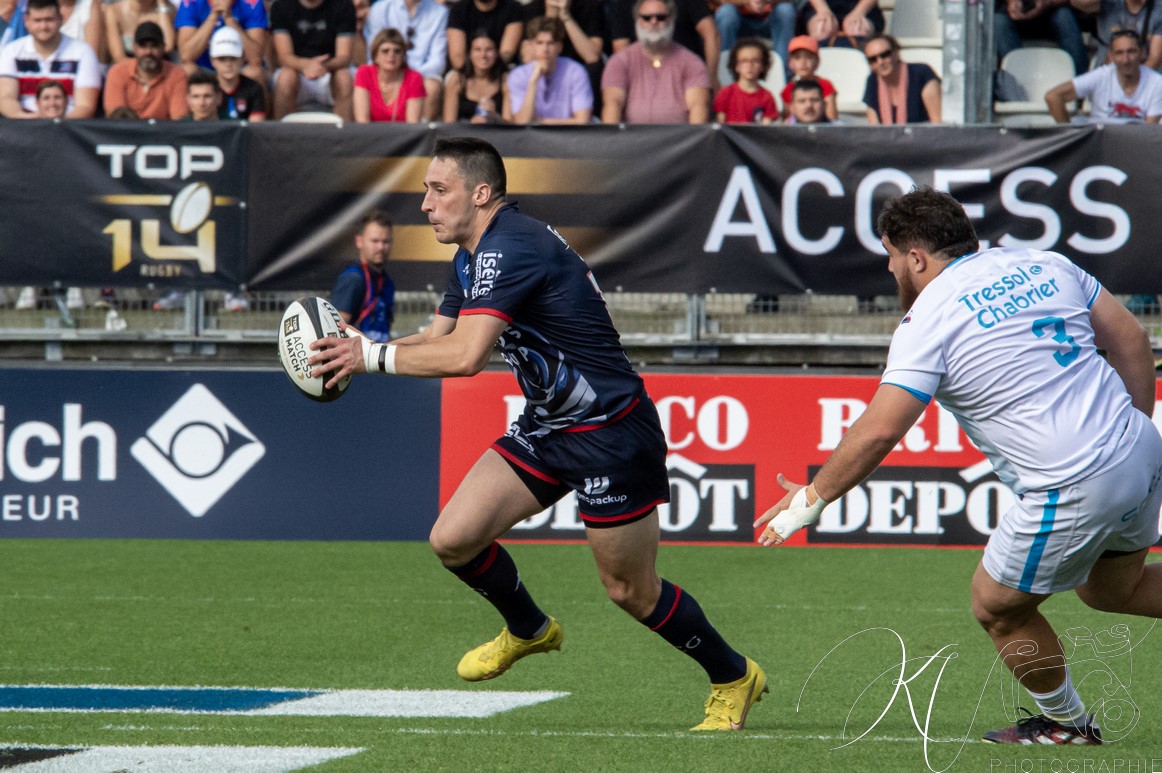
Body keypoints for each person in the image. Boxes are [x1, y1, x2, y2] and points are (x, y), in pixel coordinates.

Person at [309, 136, 768, 732]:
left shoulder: (511, 245)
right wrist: (358, 348)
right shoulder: (475, 253)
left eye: (438, 189)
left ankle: (734, 676)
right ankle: (529, 628)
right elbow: (437, 336)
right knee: (453, 539)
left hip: (610, 431)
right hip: (550, 427)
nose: (424, 204)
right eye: (425, 189)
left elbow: (467, 356)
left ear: (480, 194)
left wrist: (368, 359)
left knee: (630, 590)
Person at [756, 186, 1162, 746]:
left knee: (997, 606)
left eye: (892, 257)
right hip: (1139, 447)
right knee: (1112, 590)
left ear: (916, 258)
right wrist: (1129, 435)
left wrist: (811, 499)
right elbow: (1133, 340)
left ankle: (1068, 725)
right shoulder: (1042, 262)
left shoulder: (928, 319)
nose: (892, 269)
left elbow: (880, 428)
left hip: (1074, 480)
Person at [601, 0, 711, 124]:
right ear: (637, 21)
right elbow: (612, 105)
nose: (654, 22)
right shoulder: (619, 62)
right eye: (647, 18)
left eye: (661, 17)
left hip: (680, 142)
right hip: (631, 141)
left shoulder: (693, 63)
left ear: (671, 20)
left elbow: (698, 110)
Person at [0, 0, 101, 118]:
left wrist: (55, 125)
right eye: (37, 20)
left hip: (70, 128)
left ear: (60, 19)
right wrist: (31, 120)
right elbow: (5, 99)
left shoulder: (83, 52)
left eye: (49, 20)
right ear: (26, 21)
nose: (43, 26)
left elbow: (86, 107)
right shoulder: (12, 51)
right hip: (24, 127)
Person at [1045, 29, 1162, 123]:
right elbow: (1053, 97)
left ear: (1141, 53)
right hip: (1100, 142)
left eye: (1131, 52)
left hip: (1136, 144)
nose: (1126, 60)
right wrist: (1068, 134)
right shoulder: (1101, 76)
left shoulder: (1157, 83)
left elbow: (1149, 130)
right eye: (1119, 53)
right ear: (1111, 56)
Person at [361, 0, 446, 120]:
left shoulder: (440, 12)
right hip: (383, 71)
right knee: (361, 77)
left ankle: (422, 135)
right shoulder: (380, 8)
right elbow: (374, 52)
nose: (391, 54)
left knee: (431, 87)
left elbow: (437, 61)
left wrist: (409, 77)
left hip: (421, 75)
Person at [270, 0, 355, 120]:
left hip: (331, 70)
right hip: (297, 71)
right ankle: (281, 135)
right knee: (285, 78)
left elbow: (344, 56)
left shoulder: (343, 5)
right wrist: (306, 65)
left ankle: (345, 135)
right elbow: (284, 57)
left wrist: (323, 67)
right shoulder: (281, 5)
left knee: (344, 78)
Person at [610, 0, 719, 91]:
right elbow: (621, 50)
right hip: (643, 80)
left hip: (689, 77)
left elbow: (711, 34)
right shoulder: (621, 4)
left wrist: (710, 77)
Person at [504, 15, 592, 124]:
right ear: (531, 46)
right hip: (532, 139)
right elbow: (522, 122)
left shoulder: (576, 71)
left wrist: (540, 121)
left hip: (570, 137)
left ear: (559, 47)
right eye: (539, 43)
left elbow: (582, 121)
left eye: (550, 43)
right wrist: (533, 82)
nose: (545, 49)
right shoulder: (518, 75)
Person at [330, 210, 395, 343]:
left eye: (386, 241)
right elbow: (335, 330)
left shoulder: (387, 283)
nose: (381, 247)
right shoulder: (353, 278)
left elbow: (384, 331)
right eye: (375, 241)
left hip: (378, 358)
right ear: (359, 241)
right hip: (355, 360)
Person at [103, 20, 189, 119]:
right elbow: (116, 117)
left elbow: (179, 120)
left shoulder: (177, 74)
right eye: (143, 46)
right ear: (134, 48)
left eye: (154, 46)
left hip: (163, 132)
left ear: (163, 48)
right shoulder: (118, 72)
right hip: (126, 132)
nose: (148, 52)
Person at [994, 0, 1087, 80]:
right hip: (1010, 16)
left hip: (1051, 12)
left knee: (1064, 17)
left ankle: (1079, 84)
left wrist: (1045, 3)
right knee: (999, 23)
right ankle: (1014, 86)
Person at [174, 0, 267, 81]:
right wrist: (214, 15)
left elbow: (256, 59)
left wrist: (229, 19)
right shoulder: (190, 2)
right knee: (186, 70)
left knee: (255, 73)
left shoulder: (252, 2)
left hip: (238, 69)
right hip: (205, 69)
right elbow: (186, 56)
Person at [862, 33, 940, 124]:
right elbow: (874, 128)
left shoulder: (922, 74)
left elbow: (938, 123)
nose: (880, 62)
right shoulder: (872, 81)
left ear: (896, 53)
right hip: (887, 138)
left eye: (885, 54)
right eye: (872, 59)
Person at [353, 27, 424, 122]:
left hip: (405, 135)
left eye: (397, 51)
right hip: (368, 135)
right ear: (375, 56)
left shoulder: (414, 78)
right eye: (385, 51)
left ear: (403, 56)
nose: (391, 55)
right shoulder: (364, 73)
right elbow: (362, 122)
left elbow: (413, 124)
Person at [714, 0, 794, 76]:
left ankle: (783, 75)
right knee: (725, 13)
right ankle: (725, 74)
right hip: (739, 19)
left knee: (785, 10)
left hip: (770, 20)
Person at [1076, 0, 1162, 70]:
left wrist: (1134, 83)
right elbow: (1079, 2)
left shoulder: (1159, 7)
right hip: (1107, 66)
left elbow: (1155, 59)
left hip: (1144, 71)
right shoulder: (1109, 3)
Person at [443, 27, 505, 123]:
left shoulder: (505, 80)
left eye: (488, 50)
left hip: (497, 134)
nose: (483, 55)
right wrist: (470, 125)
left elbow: (513, 126)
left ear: (497, 53)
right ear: (470, 53)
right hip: (462, 134)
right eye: (477, 49)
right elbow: (448, 124)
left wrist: (495, 117)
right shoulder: (457, 80)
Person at [713, 36, 778, 123]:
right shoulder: (725, 94)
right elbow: (720, 126)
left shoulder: (767, 97)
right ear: (736, 65)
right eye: (744, 61)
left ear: (763, 66)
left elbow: (766, 130)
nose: (750, 65)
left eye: (755, 61)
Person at [446, 0, 524, 70]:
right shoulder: (458, 10)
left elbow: (507, 53)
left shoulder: (513, 8)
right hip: (467, 70)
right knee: (454, 80)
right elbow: (457, 59)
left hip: (500, 70)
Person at [209, 25, 266, 120]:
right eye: (222, 59)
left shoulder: (254, 88)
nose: (228, 64)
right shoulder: (206, 89)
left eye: (233, 58)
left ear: (243, 58)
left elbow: (256, 128)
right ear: (212, 60)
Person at [779, 34, 836, 121]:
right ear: (790, 63)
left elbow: (832, 118)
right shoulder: (788, 89)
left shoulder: (826, 85)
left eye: (809, 57)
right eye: (797, 58)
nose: (803, 62)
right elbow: (786, 121)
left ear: (817, 61)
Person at [105, 0, 174, 63]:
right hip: (126, 69)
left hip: (159, 67)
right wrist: (143, 69)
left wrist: (161, 4)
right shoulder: (114, 11)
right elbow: (118, 57)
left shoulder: (167, 10)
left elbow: (168, 46)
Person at [799, 0, 884, 48]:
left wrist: (859, 12)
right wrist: (823, 11)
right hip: (820, 6)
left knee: (857, 29)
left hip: (862, 7)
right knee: (821, 28)